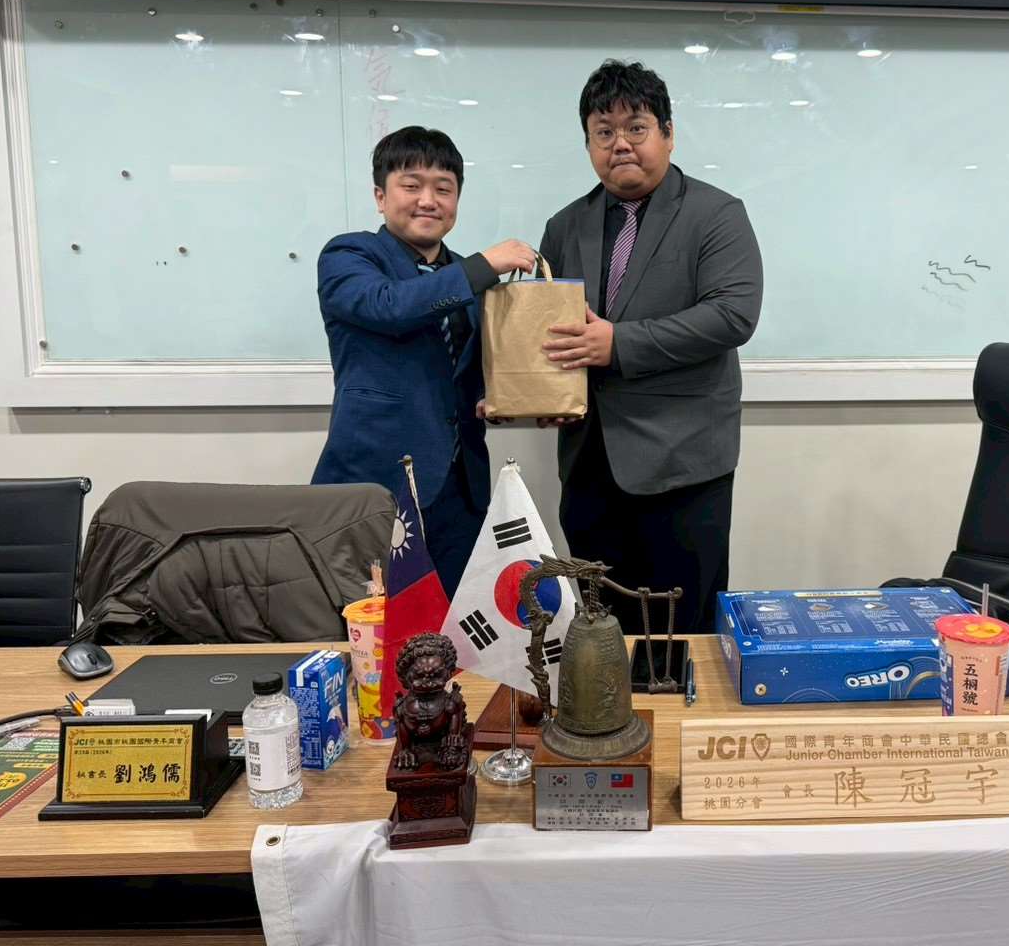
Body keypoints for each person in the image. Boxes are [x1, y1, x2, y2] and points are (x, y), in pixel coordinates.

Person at [538, 60, 763, 632]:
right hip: (588, 466)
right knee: (600, 630)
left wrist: (618, 344)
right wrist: (537, 391)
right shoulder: (564, 226)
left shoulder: (716, 213)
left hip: (681, 465)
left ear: (667, 133)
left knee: (679, 629)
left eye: (635, 128)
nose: (620, 144)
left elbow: (732, 315)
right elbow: (552, 324)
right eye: (603, 132)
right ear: (588, 143)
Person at [312, 126, 535, 595]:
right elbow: (391, 306)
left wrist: (499, 395)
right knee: (372, 622)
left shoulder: (466, 276)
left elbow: (473, 365)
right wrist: (483, 265)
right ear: (380, 196)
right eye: (411, 186)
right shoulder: (348, 255)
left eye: (443, 189)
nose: (428, 200)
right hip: (376, 484)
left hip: (461, 488)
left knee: (456, 624)